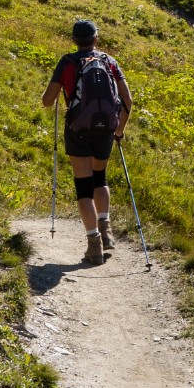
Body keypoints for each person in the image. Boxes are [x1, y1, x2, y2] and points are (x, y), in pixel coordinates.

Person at [41, 19, 133, 264]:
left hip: (78, 129)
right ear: (96, 38)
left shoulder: (67, 62)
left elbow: (47, 101)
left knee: (84, 186)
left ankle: (94, 246)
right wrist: (119, 130)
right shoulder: (109, 62)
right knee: (99, 178)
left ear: (74, 40)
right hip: (106, 129)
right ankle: (106, 231)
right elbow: (127, 101)